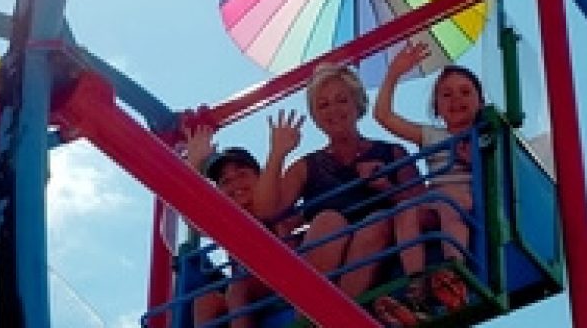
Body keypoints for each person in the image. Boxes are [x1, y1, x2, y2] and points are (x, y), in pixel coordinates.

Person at [253, 63, 423, 309]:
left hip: (379, 248)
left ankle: (337, 316)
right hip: (326, 251)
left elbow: (422, 203)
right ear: (316, 117)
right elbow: (266, 211)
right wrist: (277, 154)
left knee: (376, 222)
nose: (333, 110)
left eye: (341, 100)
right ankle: (325, 312)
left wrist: (385, 186)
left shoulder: (392, 152)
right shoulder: (307, 166)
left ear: (357, 103)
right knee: (328, 221)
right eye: (323, 105)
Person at [372, 40, 485, 318]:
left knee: (448, 203)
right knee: (406, 211)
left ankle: (453, 273)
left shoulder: (486, 133)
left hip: (467, 200)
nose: (456, 100)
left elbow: (503, 171)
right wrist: (394, 73)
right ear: (436, 107)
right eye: (446, 95)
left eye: (464, 92)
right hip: (434, 202)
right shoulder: (433, 136)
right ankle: (417, 288)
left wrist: (474, 161)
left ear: (480, 101)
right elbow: (383, 116)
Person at [181, 126, 285, 328]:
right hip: (249, 289)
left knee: (237, 288)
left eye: (242, 174)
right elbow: (193, 218)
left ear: (261, 178)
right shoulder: (229, 222)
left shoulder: (276, 203)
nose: (235, 184)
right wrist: (194, 163)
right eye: (226, 181)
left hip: (286, 277)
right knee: (205, 301)